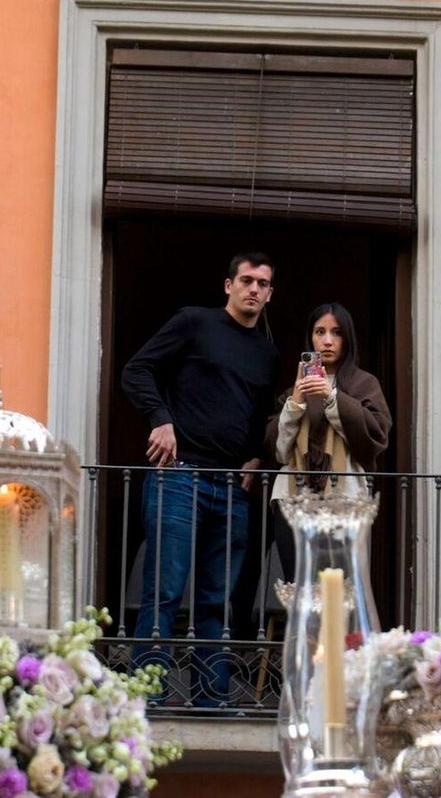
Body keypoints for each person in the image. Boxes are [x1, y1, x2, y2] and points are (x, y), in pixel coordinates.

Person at [120, 251, 281, 699]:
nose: (253, 289)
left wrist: (256, 457)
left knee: (218, 603)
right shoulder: (194, 322)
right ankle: (145, 701)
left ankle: (213, 701)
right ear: (227, 285)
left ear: (270, 294)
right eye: (246, 280)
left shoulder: (268, 355)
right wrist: (160, 418)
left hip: (232, 487)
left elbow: (259, 417)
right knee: (164, 593)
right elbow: (137, 370)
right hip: (179, 476)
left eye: (262, 284)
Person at [263, 302, 392, 578]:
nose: (328, 341)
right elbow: (278, 450)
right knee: (298, 588)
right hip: (292, 499)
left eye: (336, 332)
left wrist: (332, 398)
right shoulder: (294, 390)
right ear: (310, 338)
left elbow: (375, 436)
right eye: (320, 332)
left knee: (339, 588)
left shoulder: (364, 384)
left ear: (348, 339)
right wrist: (296, 401)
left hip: (344, 499)